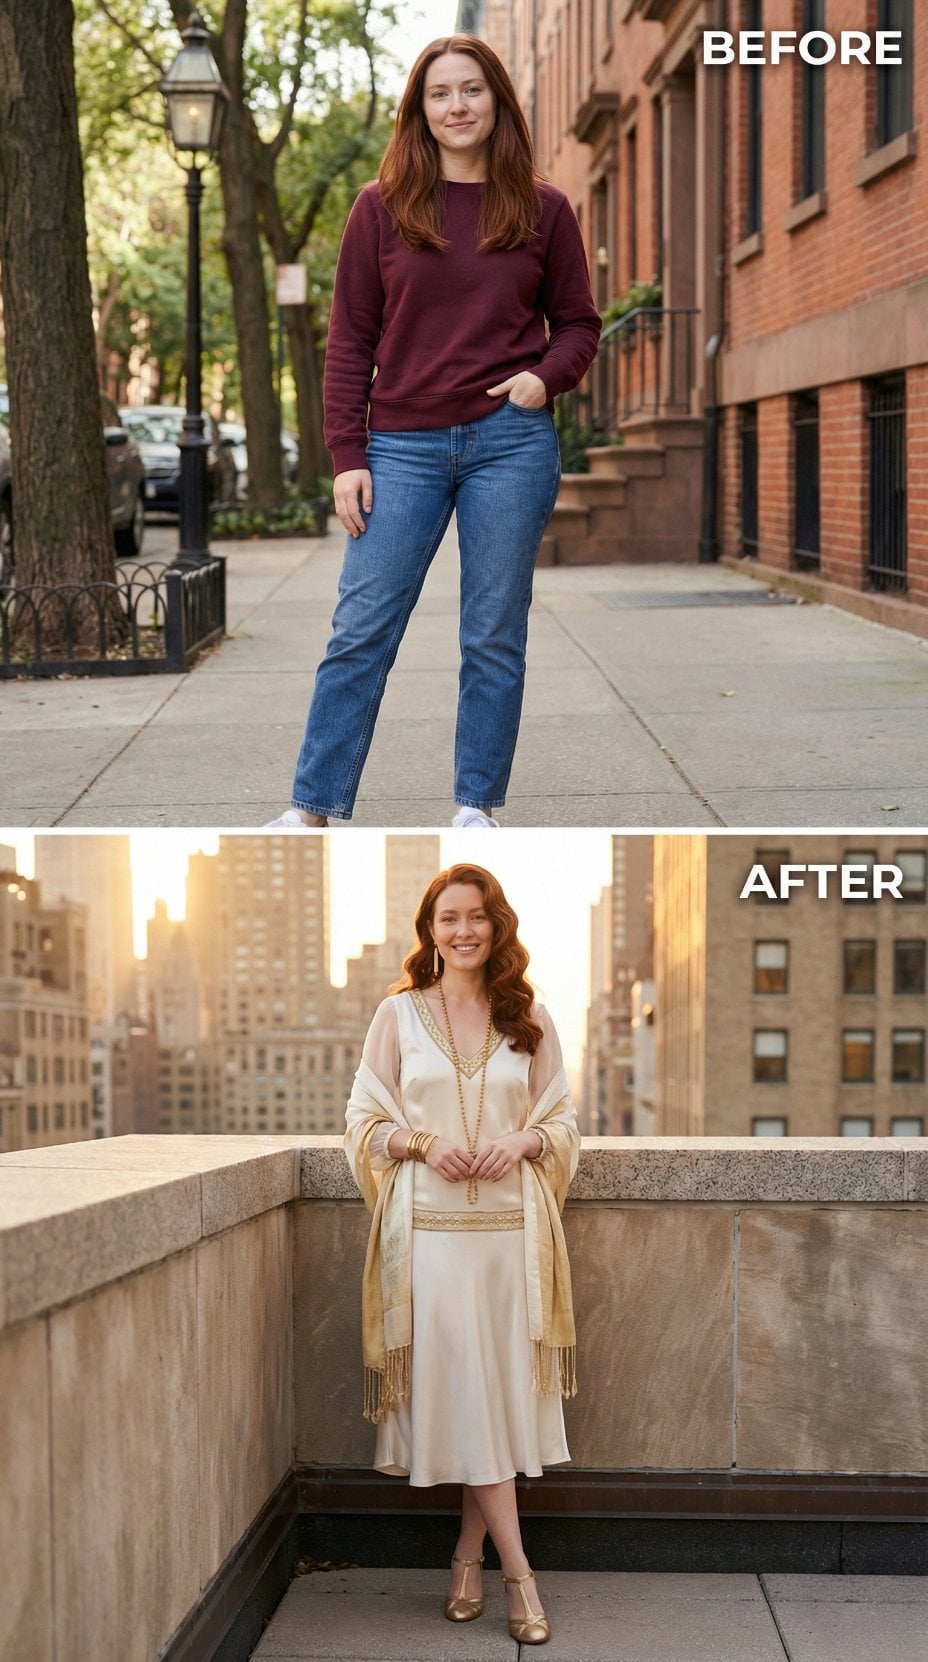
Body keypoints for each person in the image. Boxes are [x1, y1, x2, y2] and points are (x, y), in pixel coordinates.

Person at [266, 33, 601, 830]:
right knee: (361, 628)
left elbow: (579, 325)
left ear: (497, 103)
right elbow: (349, 338)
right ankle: (312, 807)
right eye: (441, 93)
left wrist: (542, 379)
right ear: (421, 109)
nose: (458, 106)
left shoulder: (543, 207)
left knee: (492, 632)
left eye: (472, 91)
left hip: (508, 443)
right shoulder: (380, 207)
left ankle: (475, 806)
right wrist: (348, 454)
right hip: (401, 447)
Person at [344, 863, 580, 1645]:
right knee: (478, 1406)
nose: (464, 930)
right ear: (430, 930)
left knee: (494, 1408)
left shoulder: (530, 1015)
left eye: (476, 917)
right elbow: (360, 1123)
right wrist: (420, 1143)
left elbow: (565, 1124)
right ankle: (521, 1576)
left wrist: (527, 1139)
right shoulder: (399, 1016)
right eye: (448, 918)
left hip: (514, 1249)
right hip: (433, 1253)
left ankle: (466, 1561)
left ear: (497, 925)